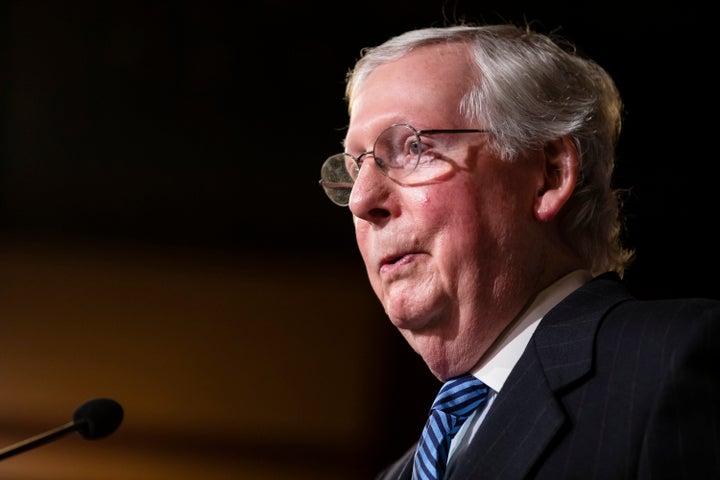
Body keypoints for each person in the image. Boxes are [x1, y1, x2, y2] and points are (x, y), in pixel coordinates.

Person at [318, 22, 720, 479]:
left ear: (548, 175)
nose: (361, 200)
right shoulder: (400, 474)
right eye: (354, 168)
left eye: (413, 147)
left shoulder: (675, 359)